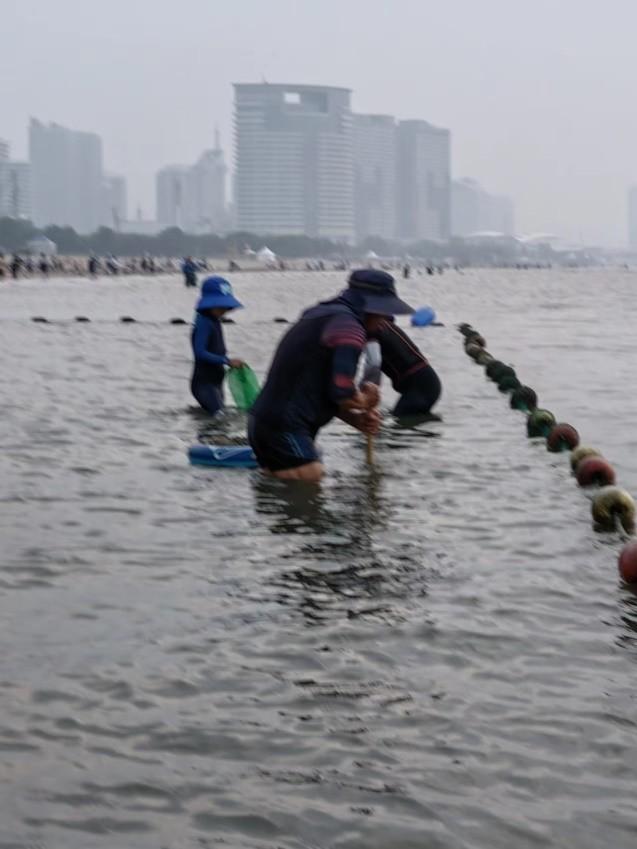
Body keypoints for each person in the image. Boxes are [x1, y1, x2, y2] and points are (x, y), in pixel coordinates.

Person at [248, 269, 414, 482]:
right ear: (371, 309)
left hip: (264, 421)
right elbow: (342, 392)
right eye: (383, 315)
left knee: (280, 488)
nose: (384, 323)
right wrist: (366, 400)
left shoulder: (319, 314)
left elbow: (321, 391)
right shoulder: (349, 329)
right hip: (284, 426)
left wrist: (356, 419)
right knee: (310, 476)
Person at [191, 276, 246, 415]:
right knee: (219, 418)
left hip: (216, 381)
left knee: (218, 420)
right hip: (204, 383)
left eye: (226, 306)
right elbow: (200, 352)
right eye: (221, 306)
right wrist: (226, 361)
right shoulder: (203, 322)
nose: (224, 309)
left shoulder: (214, 320)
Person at [365, 319, 441, 419]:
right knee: (400, 422)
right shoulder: (384, 324)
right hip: (428, 383)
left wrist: (365, 394)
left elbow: (374, 364)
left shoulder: (372, 333)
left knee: (397, 424)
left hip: (420, 387)